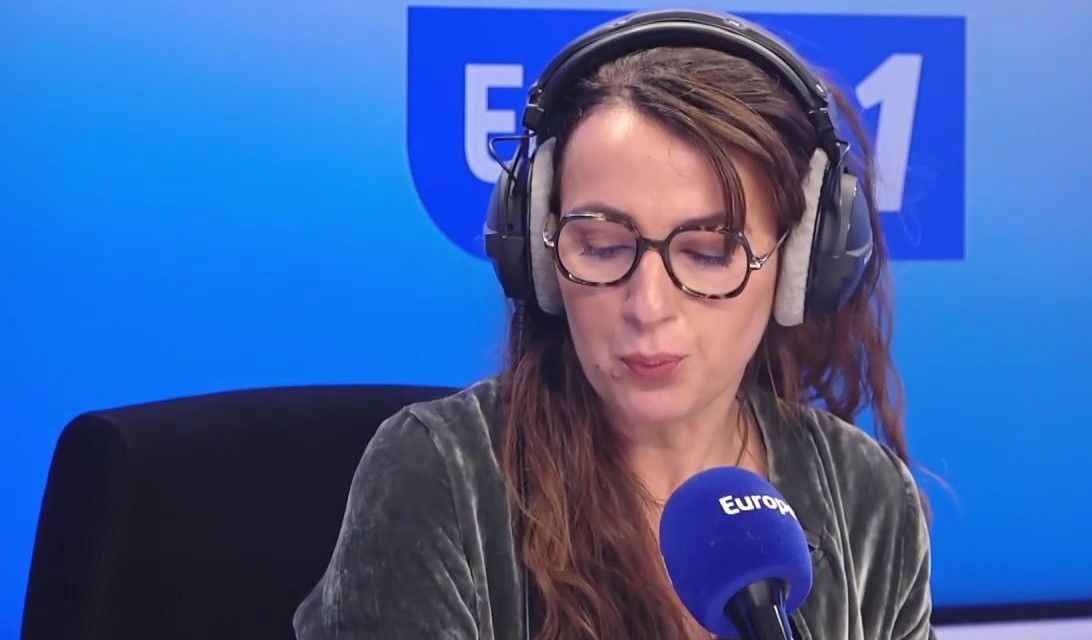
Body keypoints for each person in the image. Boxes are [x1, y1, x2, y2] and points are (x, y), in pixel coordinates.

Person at [294, 8, 935, 640]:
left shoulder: (867, 497)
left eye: (709, 253)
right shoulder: (441, 477)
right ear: (539, 254)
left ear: (800, 267)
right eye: (602, 246)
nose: (648, 306)